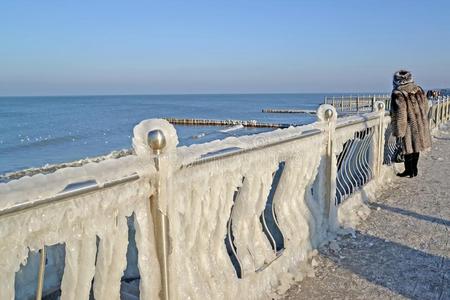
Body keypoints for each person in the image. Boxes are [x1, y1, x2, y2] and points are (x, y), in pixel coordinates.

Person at [390, 70, 432, 177]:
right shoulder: (418, 89)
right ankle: (414, 169)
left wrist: (399, 131)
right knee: (416, 147)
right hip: (419, 123)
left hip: (408, 125)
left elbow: (401, 114)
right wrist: (420, 117)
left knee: (407, 148)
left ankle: (408, 170)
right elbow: (426, 106)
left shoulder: (398, 93)